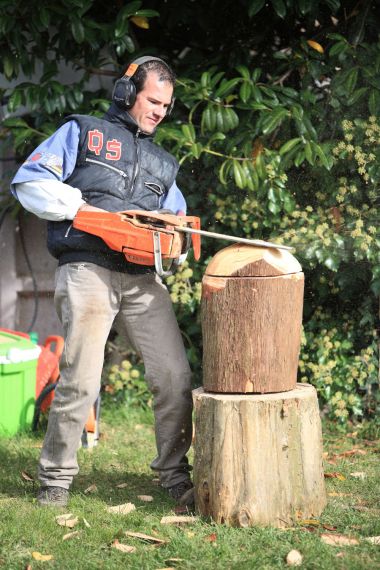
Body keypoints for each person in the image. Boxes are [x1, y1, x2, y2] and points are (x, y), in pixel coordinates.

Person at [10, 56, 194, 508]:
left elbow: (178, 228)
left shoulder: (163, 164)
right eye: (152, 100)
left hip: (140, 277)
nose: (158, 111)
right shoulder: (84, 131)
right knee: (81, 379)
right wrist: (91, 215)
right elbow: (30, 182)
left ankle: (173, 475)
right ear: (127, 92)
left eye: (166, 106)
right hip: (87, 268)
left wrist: (172, 237)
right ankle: (55, 479)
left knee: (174, 377)